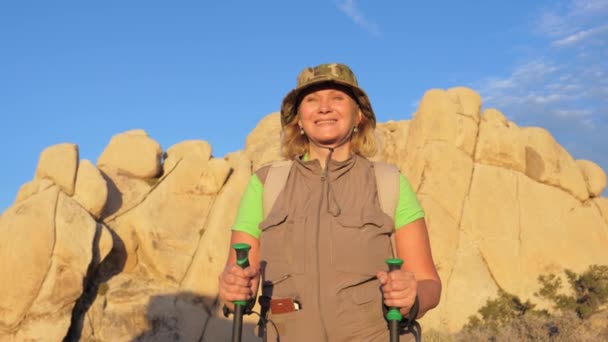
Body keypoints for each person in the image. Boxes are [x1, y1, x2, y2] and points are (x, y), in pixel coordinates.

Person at [218, 63, 441, 341]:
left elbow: (429, 283)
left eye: (337, 98)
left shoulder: (389, 183)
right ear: (298, 118)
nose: (324, 107)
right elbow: (238, 284)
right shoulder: (265, 185)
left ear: (358, 115)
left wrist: (413, 295)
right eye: (311, 100)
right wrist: (232, 290)